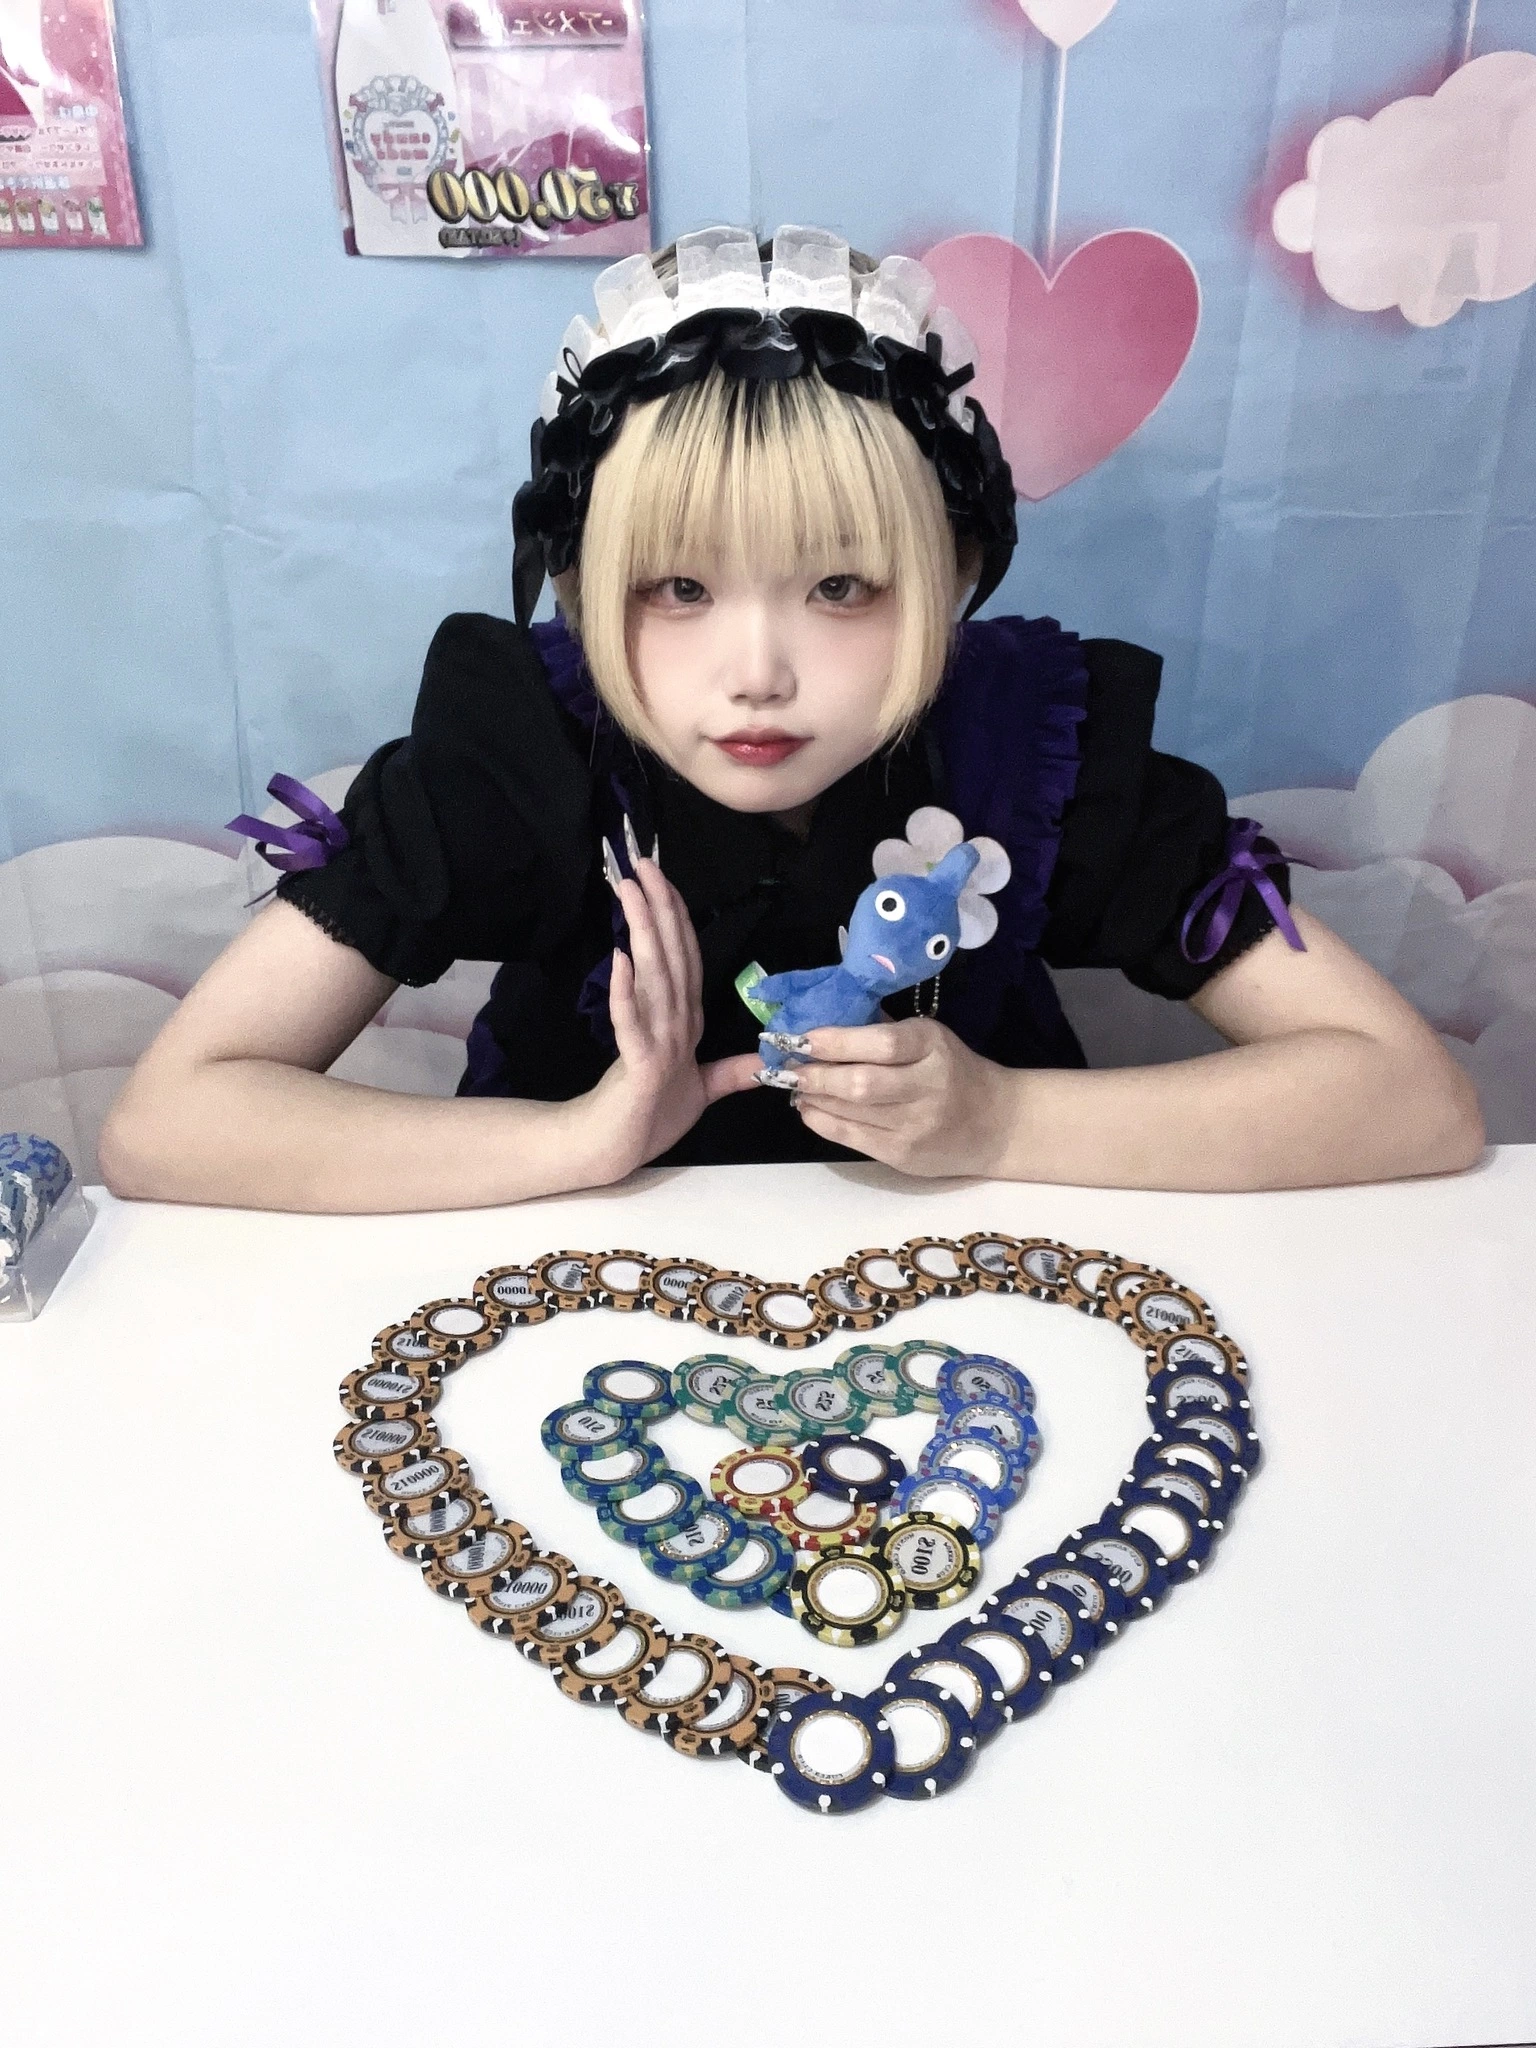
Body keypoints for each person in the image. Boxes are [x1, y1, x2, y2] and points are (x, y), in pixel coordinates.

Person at [101, 225, 1483, 1213]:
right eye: (678, 589)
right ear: (578, 586)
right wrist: (589, 1138)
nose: (757, 674)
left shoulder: (1037, 748)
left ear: (953, 573)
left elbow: (1409, 1100)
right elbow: (171, 1122)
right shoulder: (514, 754)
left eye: (840, 587)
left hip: (985, 1328)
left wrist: (1000, 1117)